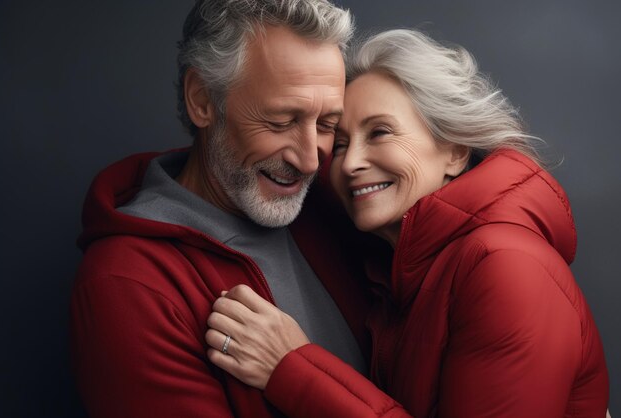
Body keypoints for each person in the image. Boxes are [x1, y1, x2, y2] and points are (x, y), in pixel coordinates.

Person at [205, 29, 610, 417]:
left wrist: (292, 368)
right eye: (341, 143)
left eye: (380, 132)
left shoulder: (505, 267)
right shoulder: (406, 267)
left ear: (454, 151)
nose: (350, 163)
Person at [70, 1, 389, 416]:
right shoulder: (128, 285)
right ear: (202, 100)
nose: (312, 159)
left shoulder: (337, 202)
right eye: (280, 121)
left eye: (327, 124)